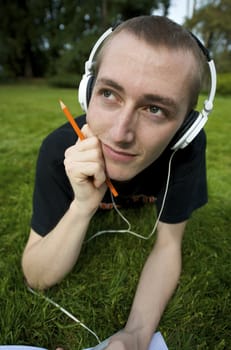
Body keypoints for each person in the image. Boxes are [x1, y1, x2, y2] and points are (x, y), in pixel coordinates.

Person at [22, 15, 215, 350]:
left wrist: (136, 334)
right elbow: (36, 276)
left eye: (154, 109)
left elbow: (169, 245)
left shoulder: (183, 152)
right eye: (109, 93)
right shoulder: (59, 150)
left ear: (186, 129)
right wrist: (82, 206)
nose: (120, 134)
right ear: (87, 92)